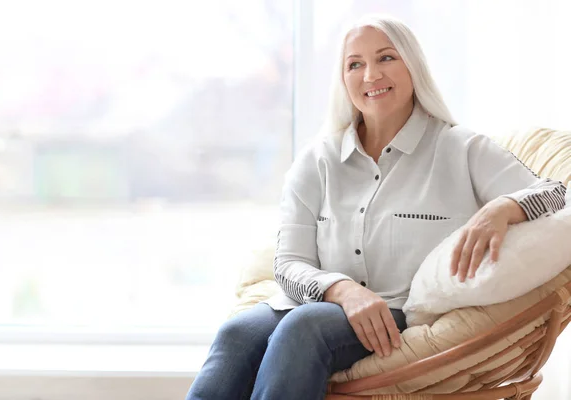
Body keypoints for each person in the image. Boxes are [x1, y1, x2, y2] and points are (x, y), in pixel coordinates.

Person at [186, 14, 567, 400]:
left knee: (304, 328)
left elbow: (557, 192)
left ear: (412, 66)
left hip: (396, 311)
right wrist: (342, 290)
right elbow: (288, 265)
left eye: (386, 58)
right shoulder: (317, 160)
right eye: (355, 64)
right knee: (237, 333)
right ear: (343, 78)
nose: (370, 75)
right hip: (315, 302)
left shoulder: (460, 148)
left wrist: (500, 209)